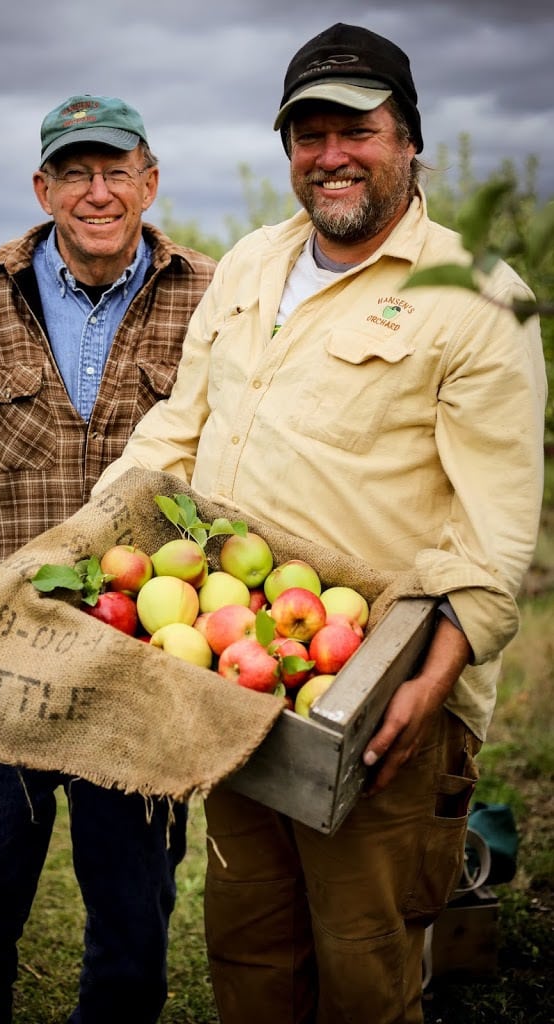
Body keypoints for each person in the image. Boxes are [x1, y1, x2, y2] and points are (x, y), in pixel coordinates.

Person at [93, 24, 547, 1024]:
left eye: (356, 128)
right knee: (251, 946)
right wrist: (95, 537)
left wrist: (429, 685)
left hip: (381, 697)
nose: (329, 153)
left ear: (408, 139)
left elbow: (496, 532)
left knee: (364, 967)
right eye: (307, 131)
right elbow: (181, 424)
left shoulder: (478, 301)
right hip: (233, 667)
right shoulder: (253, 264)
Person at [0, 93, 215, 1024]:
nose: (99, 191)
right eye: (76, 171)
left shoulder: (212, 297)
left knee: (132, 922)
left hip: (145, 667)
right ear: (43, 186)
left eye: (117, 170)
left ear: (150, 181)